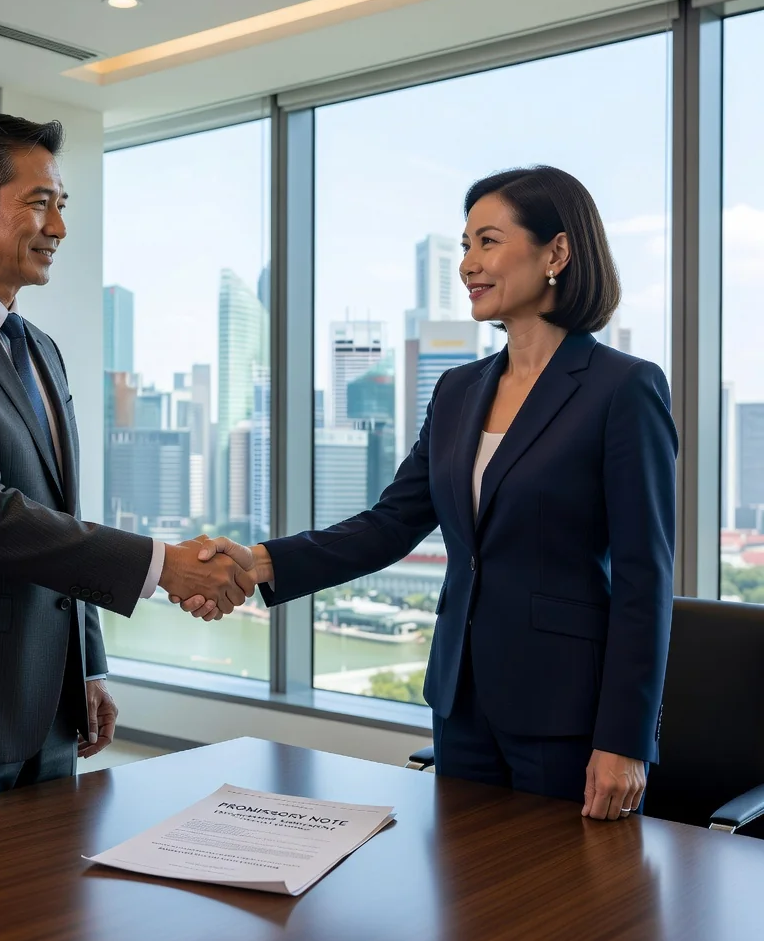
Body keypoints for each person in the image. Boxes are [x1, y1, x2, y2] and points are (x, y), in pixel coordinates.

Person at [178, 166, 677, 821]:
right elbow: (391, 524)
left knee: (559, 913)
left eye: (488, 242)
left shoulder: (623, 389)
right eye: (464, 245)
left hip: (568, 717)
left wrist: (624, 740)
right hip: (459, 701)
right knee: (464, 907)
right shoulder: (457, 391)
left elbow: (646, 579)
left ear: (556, 252)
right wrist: (261, 563)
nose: (467, 263)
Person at [0, 112, 253, 818]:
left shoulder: (40, 349)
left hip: (49, 714)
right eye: (40, 203)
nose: (58, 228)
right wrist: (166, 566)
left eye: (61, 206)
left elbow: (58, 518)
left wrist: (87, 667)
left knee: (48, 927)